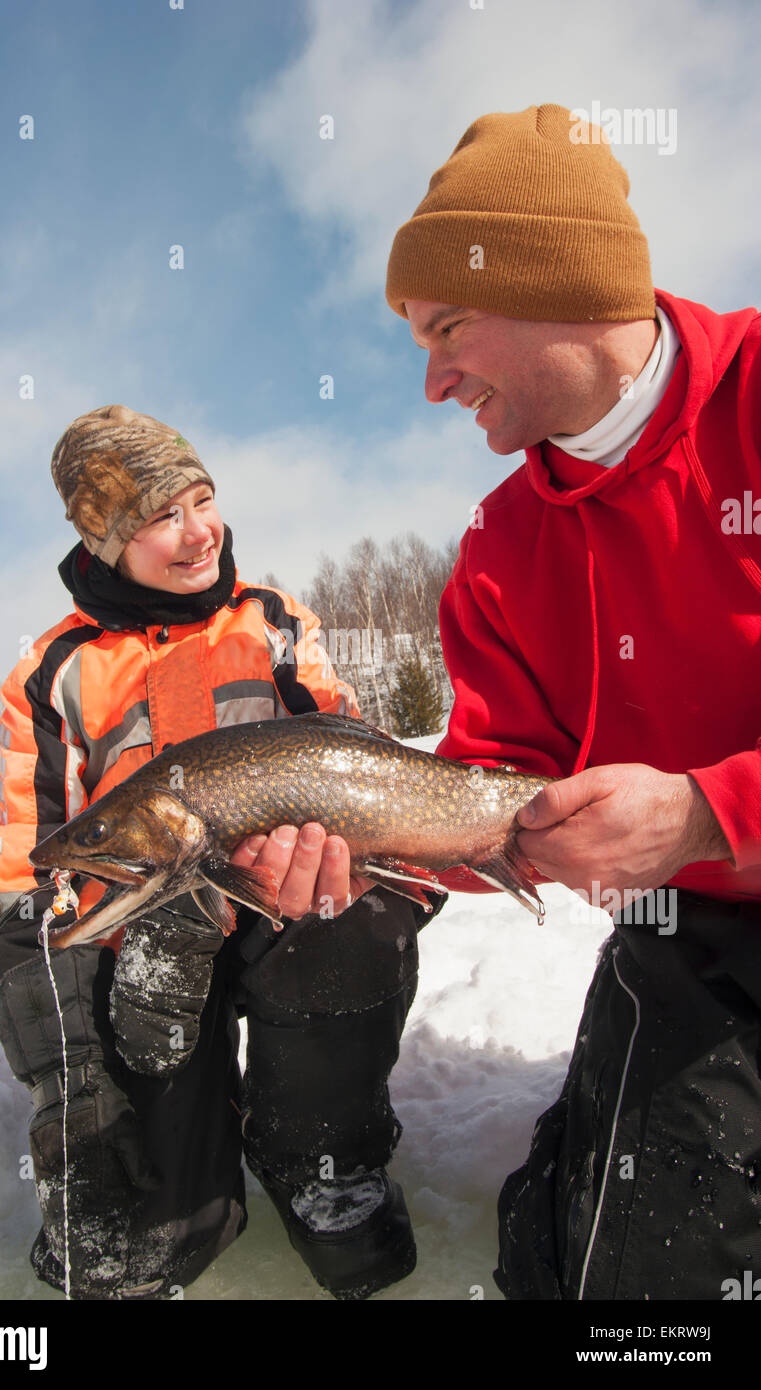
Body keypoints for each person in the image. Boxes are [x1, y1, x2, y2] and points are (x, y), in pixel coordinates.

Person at [380, 104, 761, 1300]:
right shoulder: (498, 550)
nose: (432, 380)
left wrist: (707, 813)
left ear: (566, 288)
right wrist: (370, 845)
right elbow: (493, 776)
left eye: (447, 328)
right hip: (703, 932)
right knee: (595, 1260)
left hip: (715, 859)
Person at [0, 404, 425, 1301]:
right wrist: (71, 1071)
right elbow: (22, 882)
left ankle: (318, 1155)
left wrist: (370, 867)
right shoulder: (51, 674)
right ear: (105, 542)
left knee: (356, 918)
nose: (197, 533)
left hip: (282, 919)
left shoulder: (275, 624)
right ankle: (175, 1156)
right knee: (145, 1218)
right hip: (143, 958)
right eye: (157, 518)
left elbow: (363, 765)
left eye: (202, 499)